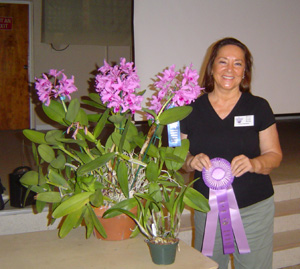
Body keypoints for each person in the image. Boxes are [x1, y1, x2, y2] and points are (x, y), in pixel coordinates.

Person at [180, 37, 282, 269]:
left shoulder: (259, 107)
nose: (229, 69)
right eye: (223, 61)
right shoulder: (189, 109)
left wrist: (254, 164)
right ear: (211, 66)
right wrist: (190, 160)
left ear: (245, 72)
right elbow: (177, 160)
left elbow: (274, 155)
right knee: (209, 266)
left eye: (238, 64)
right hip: (207, 209)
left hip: (254, 209)